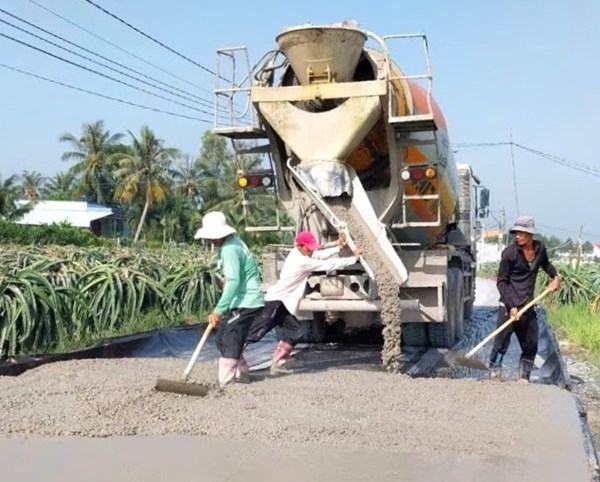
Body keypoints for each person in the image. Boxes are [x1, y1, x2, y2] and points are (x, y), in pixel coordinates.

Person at [245, 230, 361, 375]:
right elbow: (327, 264)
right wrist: (353, 259)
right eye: (308, 248)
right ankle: (233, 358)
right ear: (299, 246)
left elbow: (319, 254)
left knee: (295, 333)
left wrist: (338, 247)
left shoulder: (298, 253)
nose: (311, 250)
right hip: (276, 301)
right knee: (256, 332)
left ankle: (278, 364)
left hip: (285, 305)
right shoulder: (301, 261)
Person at [194, 211, 264, 387]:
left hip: (246, 301)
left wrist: (219, 310)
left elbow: (233, 281)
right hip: (240, 300)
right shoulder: (234, 243)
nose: (211, 240)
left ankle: (225, 381)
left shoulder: (230, 248)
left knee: (231, 338)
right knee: (222, 338)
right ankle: (242, 372)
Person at [489, 215, 561, 380]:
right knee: (500, 344)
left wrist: (555, 277)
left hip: (528, 306)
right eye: (516, 233)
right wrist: (512, 306)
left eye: (521, 233)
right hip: (509, 306)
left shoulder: (540, 249)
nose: (517, 236)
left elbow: (546, 265)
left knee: (531, 345)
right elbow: (501, 282)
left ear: (530, 235)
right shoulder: (509, 254)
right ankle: (494, 376)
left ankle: (524, 378)